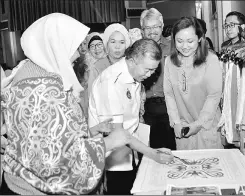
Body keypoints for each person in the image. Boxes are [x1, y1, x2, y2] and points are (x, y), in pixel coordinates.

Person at [0, 13, 132, 195]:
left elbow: (53, 134)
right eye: (74, 47)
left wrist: (90, 131)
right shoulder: (43, 90)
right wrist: (109, 142)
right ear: (56, 46)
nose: (78, 53)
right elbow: (59, 161)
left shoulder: (30, 70)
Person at [88, 38, 174, 195]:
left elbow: (131, 124)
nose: (150, 75)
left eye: (154, 71)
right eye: (147, 70)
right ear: (133, 60)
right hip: (112, 161)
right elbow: (117, 134)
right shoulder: (111, 82)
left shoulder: (133, 75)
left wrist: (151, 150)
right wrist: (152, 153)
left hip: (129, 153)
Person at [164, 16, 223, 150]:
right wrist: (175, 122)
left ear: (200, 38)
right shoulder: (169, 62)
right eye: (179, 41)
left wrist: (199, 123)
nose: (184, 46)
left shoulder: (211, 60)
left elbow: (213, 96)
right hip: (182, 128)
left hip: (206, 126)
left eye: (190, 41)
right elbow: (169, 95)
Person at [140, 8, 177, 150]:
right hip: (145, 109)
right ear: (142, 30)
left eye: (155, 26)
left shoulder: (173, 48)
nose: (152, 31)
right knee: (149, 152)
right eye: (147, 28)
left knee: (172, 150)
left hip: (168, 107)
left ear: (162, 27)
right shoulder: (137, 50)